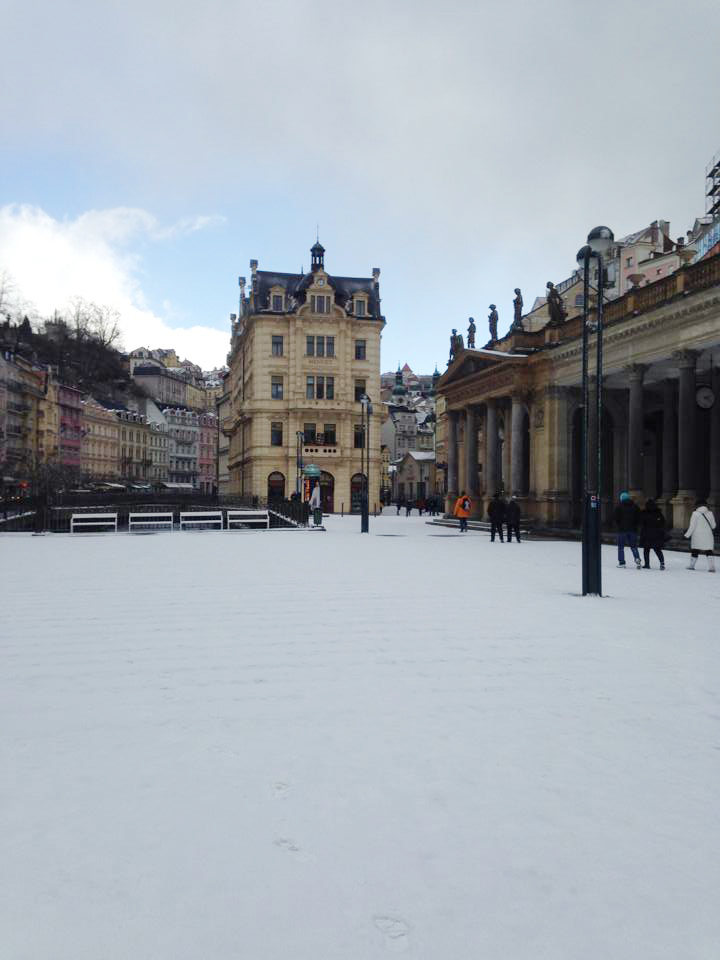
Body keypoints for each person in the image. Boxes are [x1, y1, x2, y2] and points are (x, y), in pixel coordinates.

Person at [684, 498, 716, 572]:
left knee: (695, 550)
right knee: (709, 550)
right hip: (708, 535)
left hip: (697, 536)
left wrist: (687, 535)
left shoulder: (695, 513)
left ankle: (691, 566)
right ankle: (712, 567)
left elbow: (692, 526)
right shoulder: (710, 513)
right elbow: (713, 526)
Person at [614, 491, 641, 568]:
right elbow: (639, 518)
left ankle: (622, 563)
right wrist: (635, 526)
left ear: (621, 499)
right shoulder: (635, 506)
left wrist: (619, 526)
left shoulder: (619, 507)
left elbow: (616, 518)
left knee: (621, 547)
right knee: (633, 546)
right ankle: (637, 559)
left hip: (622, 530)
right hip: (633, 530)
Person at [639, 499, 666, 569]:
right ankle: (662, 563)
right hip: (656, 533)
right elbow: (663, 522)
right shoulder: (658, 513)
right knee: (657, 549)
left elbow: (641, 523)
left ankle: (647, 564)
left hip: (646, 533)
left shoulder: (644, 513)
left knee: (646, 550)